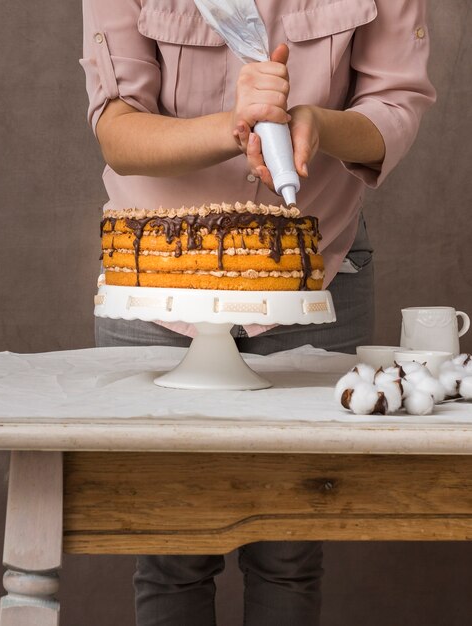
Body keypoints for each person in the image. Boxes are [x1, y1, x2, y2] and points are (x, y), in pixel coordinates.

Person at [81, 1, 436, 624]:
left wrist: (316, 125)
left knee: (291, 545)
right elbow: (117, 128)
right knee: (171, 551)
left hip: (317, 263)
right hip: (155, 277)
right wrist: (234, 125)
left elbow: (395, 103)